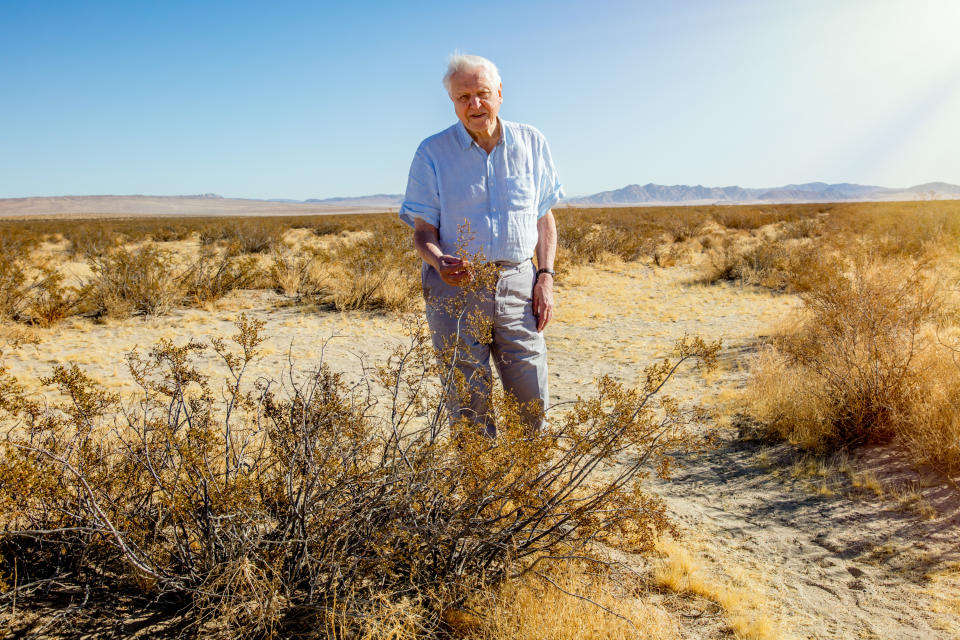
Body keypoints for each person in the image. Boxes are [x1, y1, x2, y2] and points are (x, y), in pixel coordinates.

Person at [399, 54, 563, 435]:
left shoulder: (532, 143)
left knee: (531, 399)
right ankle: (482, 492)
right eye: (463, 97)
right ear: (453, 102)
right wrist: (440, 261)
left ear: (500, 94)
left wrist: (546, 277)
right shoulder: (432, 153)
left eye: (482, 94)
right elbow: (422, 232)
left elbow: (544, 218)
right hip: (455, 290)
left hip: (519, 286)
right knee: (468, 405)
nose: (474, 105)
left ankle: (532, 490)